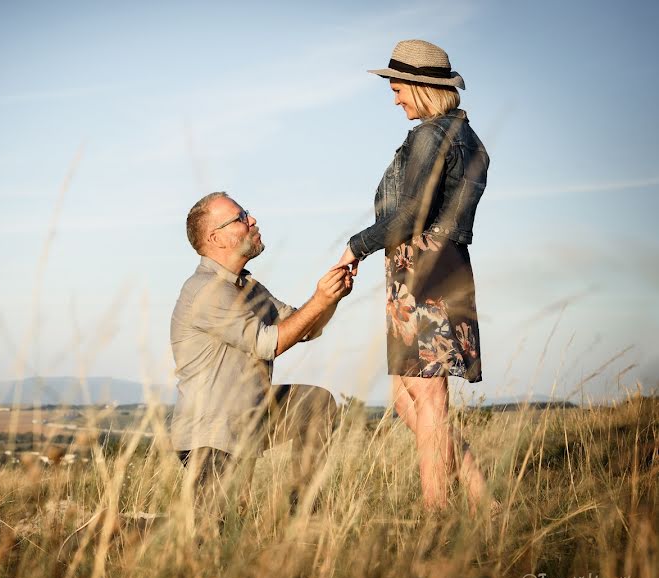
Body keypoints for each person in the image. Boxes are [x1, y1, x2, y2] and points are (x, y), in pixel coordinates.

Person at [335, 40, 494, 515]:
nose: (394, 97)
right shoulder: (468, 136)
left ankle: (436, 515)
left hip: (422, 270)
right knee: (408, 398)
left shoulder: (431, 136)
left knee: (426, 396)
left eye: (397, 86)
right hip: (441, 265)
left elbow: (409, 216)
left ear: (423, 87)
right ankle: (484, 502)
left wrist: (355, 246)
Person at [171, 191, 351, 521]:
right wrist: (319, 301)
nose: (252, 221)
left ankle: (302, 511)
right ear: (216, 238)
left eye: (247, 214)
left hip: (252, 417)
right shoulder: (205, 290)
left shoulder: (248, 287)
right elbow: (269, 343)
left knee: (316, 402)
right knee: (219, 535)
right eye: (240, 218)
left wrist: (330, 297)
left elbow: (305, 327)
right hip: (213, 435)